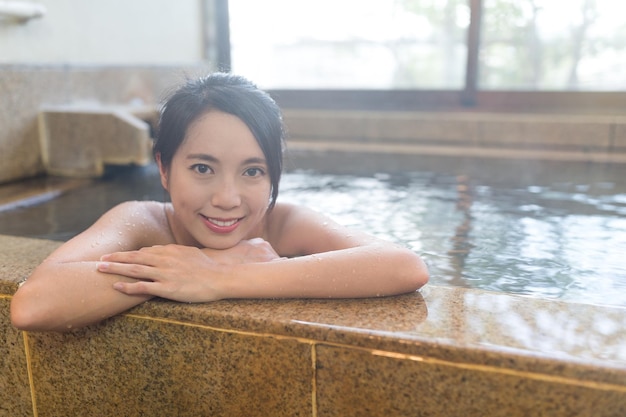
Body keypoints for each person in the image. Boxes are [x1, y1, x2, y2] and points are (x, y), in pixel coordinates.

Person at [10, 73, 429, 332]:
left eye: (252, 172)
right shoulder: (140, 222)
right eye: (203, 169)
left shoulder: (283, 225)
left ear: (274, 175)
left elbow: (402, 265)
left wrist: (221, 277)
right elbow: (33, 305)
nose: (227, 199)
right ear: (163, 168)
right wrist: (200, 269)